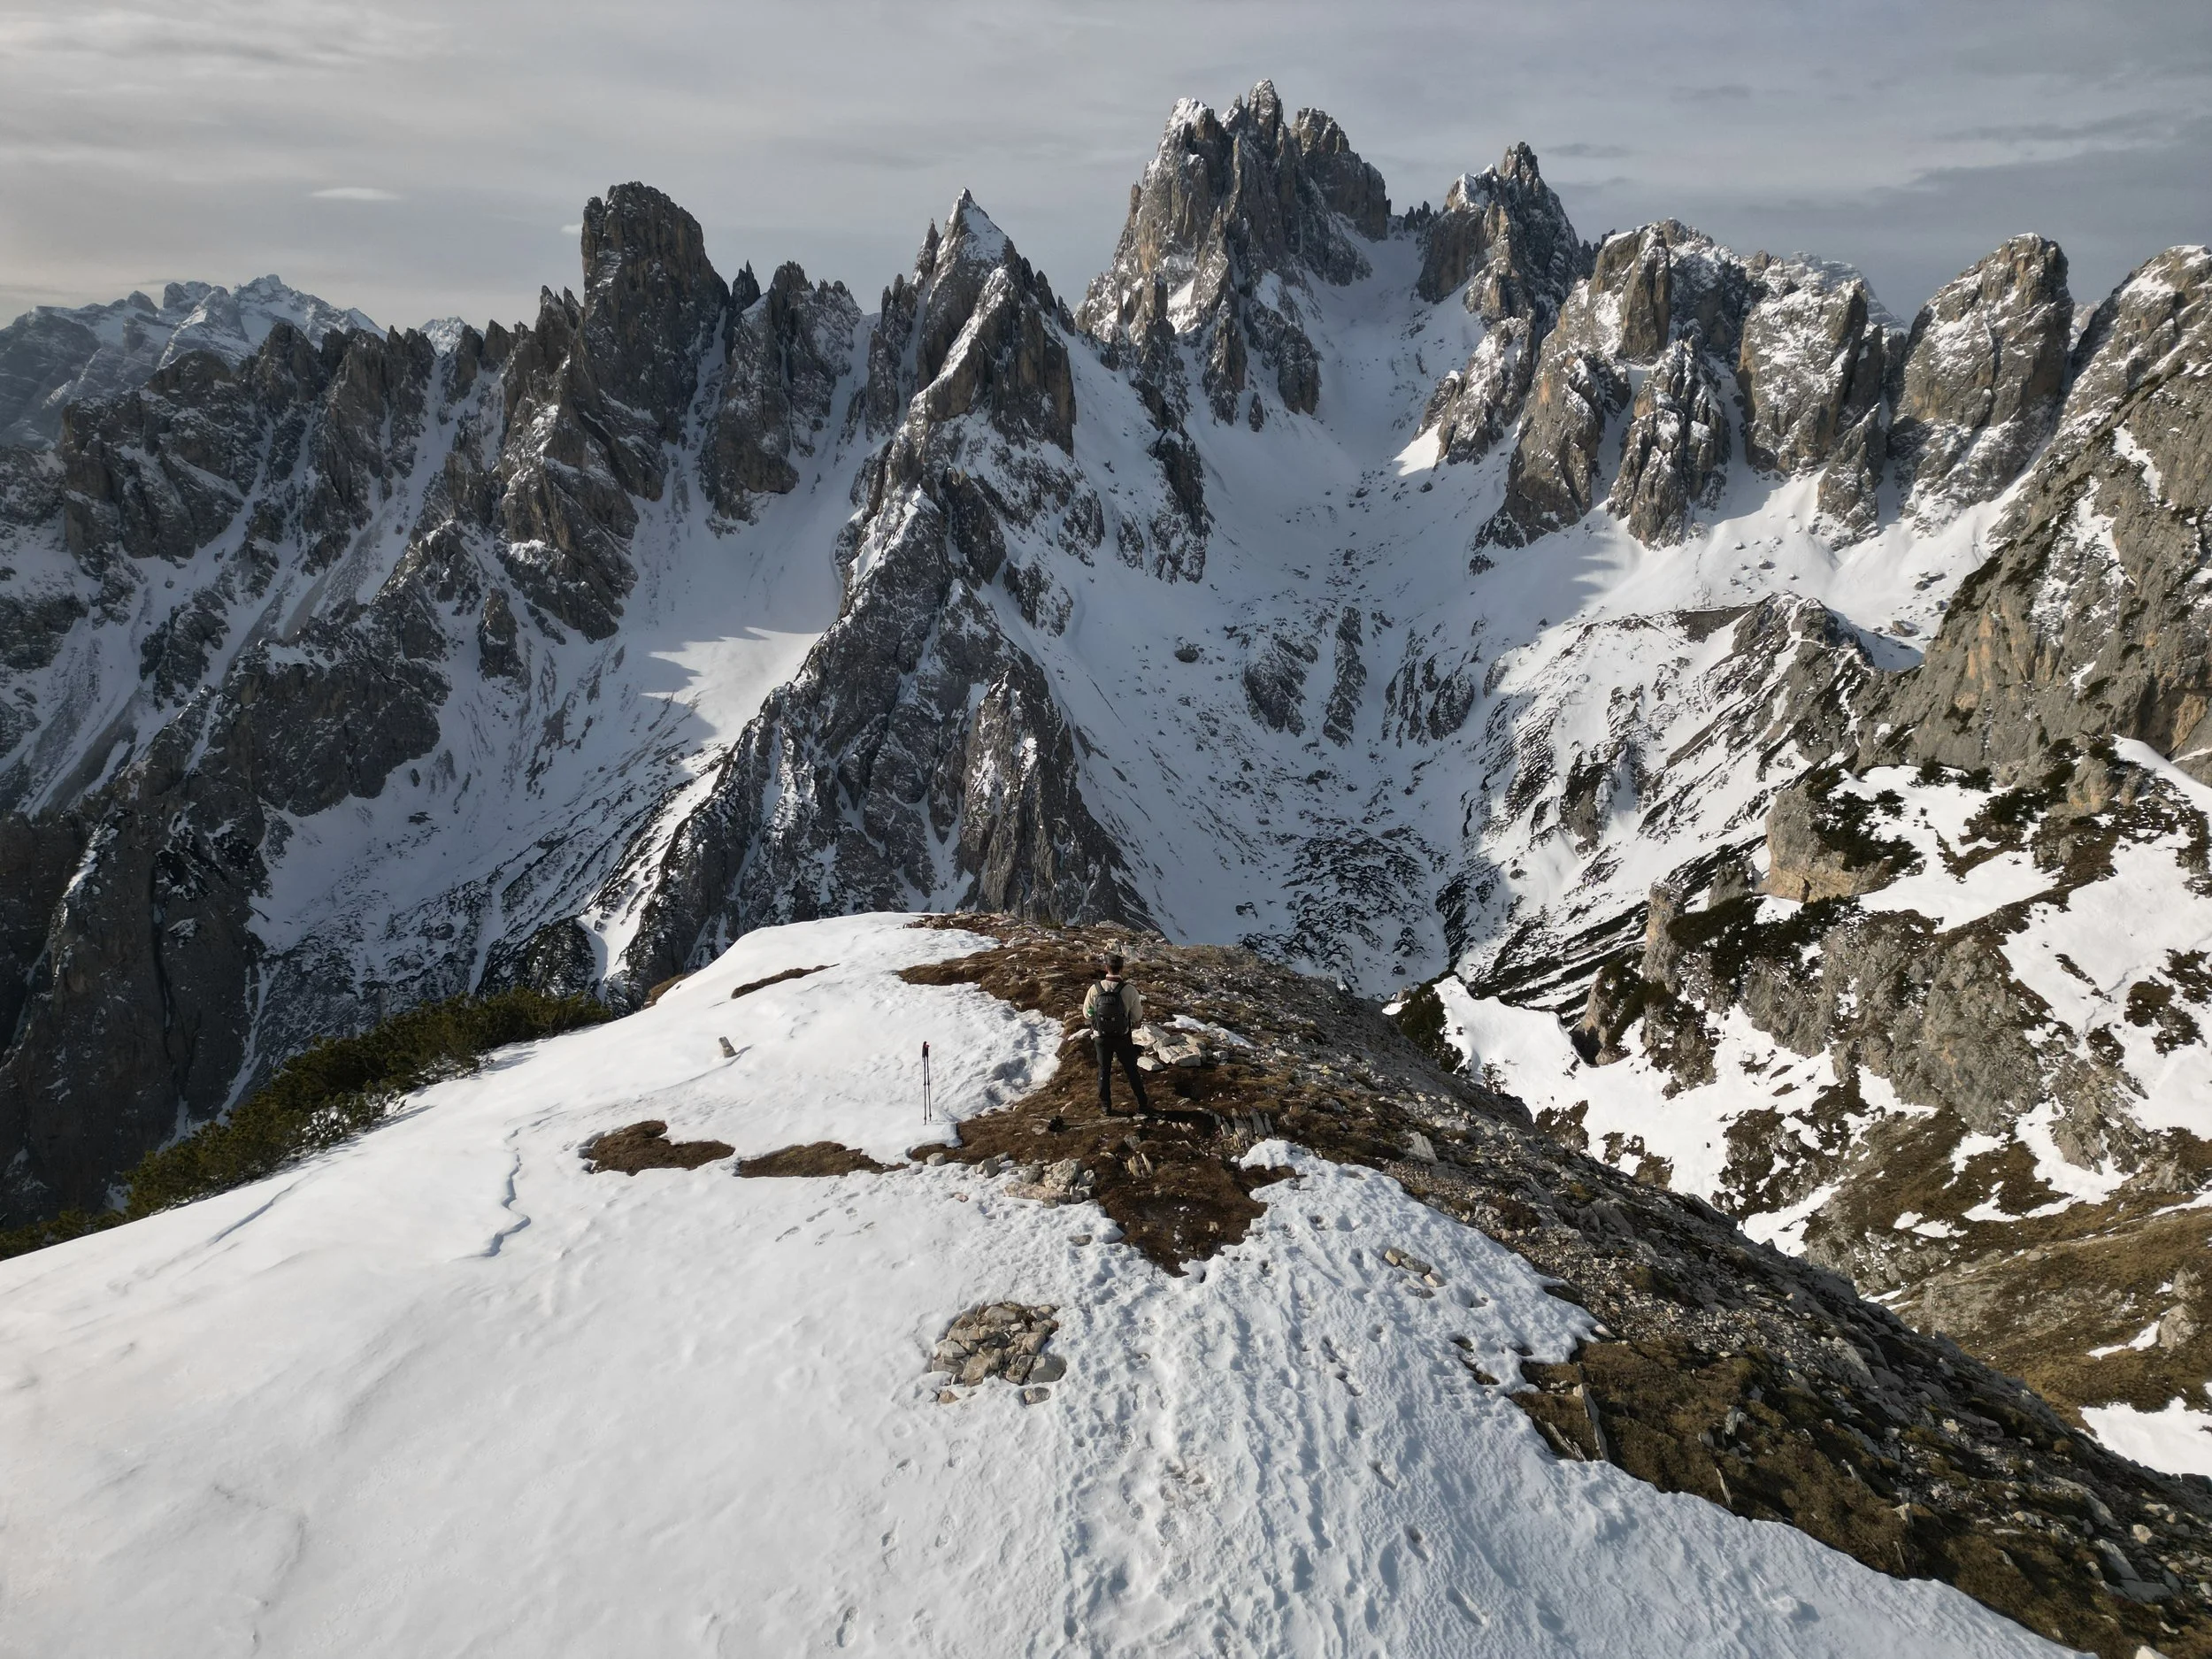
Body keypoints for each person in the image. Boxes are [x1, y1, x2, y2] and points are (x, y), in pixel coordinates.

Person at [1084, 953, 1150, 1115]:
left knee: (1104, 1071)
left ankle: (1106, 1106)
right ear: (1121, 968)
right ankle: (1142, 1103)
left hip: (1101, 1037)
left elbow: (1087, 1014)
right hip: (1122, 1037)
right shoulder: (1129, 990)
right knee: (1131, 1070)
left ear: (1106, 967)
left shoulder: (1095, 988)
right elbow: (1136, 1016)